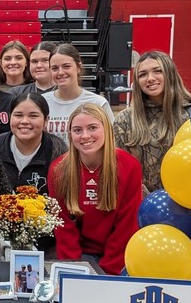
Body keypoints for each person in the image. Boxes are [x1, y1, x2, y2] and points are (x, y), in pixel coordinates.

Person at [48, 103, 142, 275]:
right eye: (77, 130)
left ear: (106, 128)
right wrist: (74, 268)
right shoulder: (58, 169)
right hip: (78, 256)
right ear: (70, 134)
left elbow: (126, 226)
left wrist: (106, 273)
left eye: (92, 128)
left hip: (117, 257)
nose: (85, 136)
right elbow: (63, 226)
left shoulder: (129, 166)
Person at [113, 50, 191, 193]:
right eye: (142, 74)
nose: (150, 78)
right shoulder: (124, 120)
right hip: (141, 205)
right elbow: (119, 169)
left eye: (157, 71)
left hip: (187, 200)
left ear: (170, 74)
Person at [0, 91, 66, 193]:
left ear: (46, 120)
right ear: (10, 117)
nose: (24, 121)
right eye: (18, 115)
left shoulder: (60, 152)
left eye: (33, 116)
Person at [43, 43, 114, 146]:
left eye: (66, 66)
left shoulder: (98, 103)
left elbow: (111, 141)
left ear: (79, 67)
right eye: (55, 68)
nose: (60, 72)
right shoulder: (42, 102)